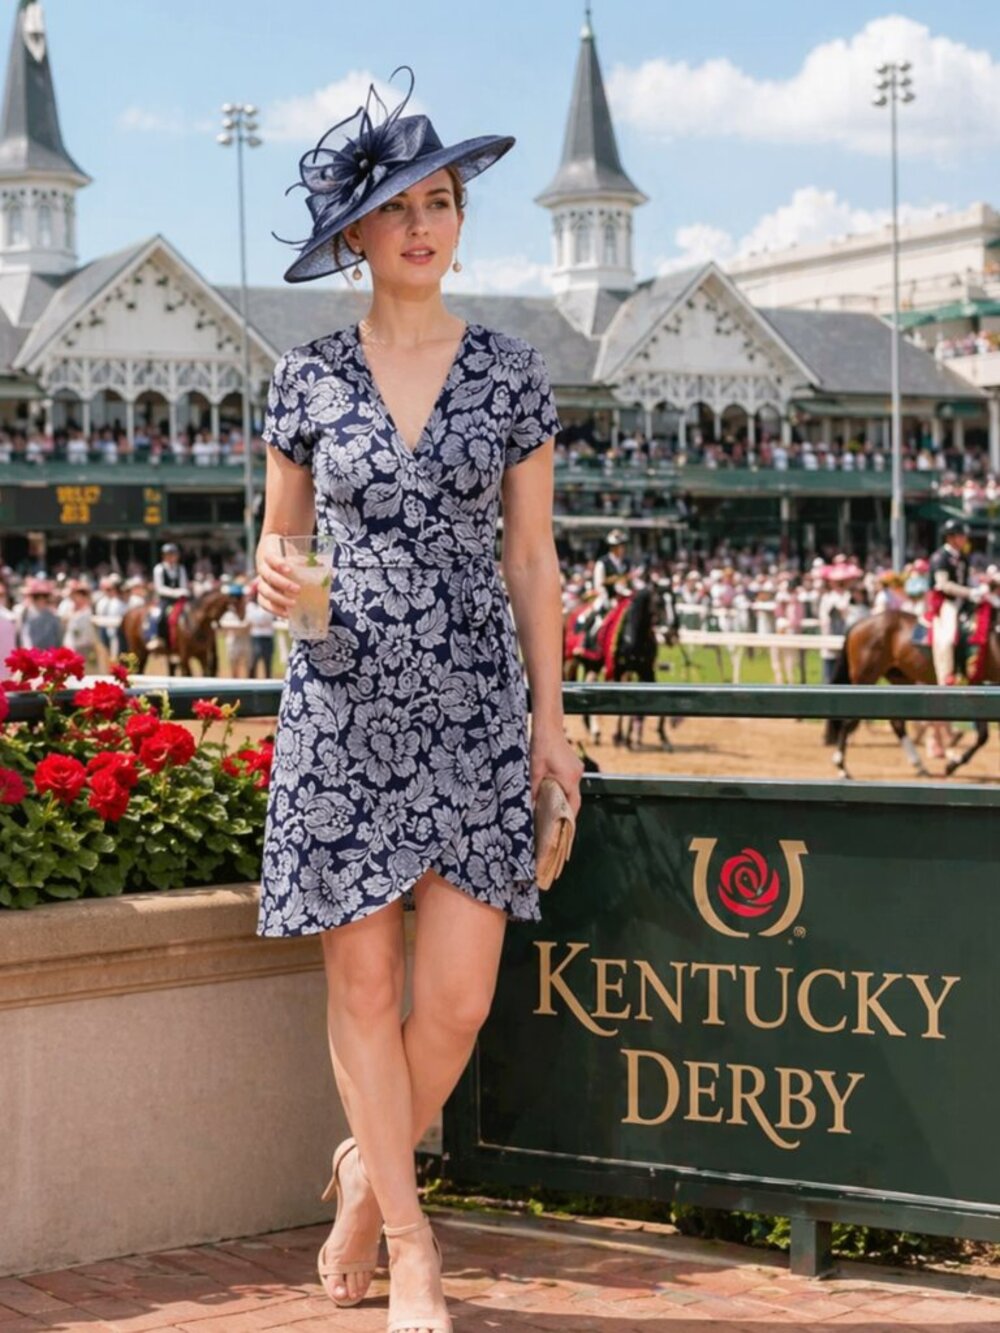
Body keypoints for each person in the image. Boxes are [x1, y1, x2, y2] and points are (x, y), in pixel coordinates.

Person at [255, 66, 583, 1333]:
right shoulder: (305, 382)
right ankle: (409, 1243)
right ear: (357, 237)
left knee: (454, 999)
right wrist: (275, 573)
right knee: (362, 991)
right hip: (341, 709)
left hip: (473, 708)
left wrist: (550, 722)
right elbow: (280, 561)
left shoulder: (512, 375)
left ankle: (358, 1172)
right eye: (398, 208)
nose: (423, 224)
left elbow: (533, 562)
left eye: (440, 201)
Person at [927, 519, 981, 685]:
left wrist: (981, 587)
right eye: (961, 535)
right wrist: (969, 592)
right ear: (950, 538)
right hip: (946, 602)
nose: (965, 539)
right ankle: (945, 676)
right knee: (947, 638)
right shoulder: (940, 557)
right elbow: (943, 585)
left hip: (963, 602)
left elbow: (968, 579)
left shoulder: (963, 557)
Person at [150, 542, 190, 652]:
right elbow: (159, 588)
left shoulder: (181, 568)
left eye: (174, 554)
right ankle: (156, 637)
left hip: (180, 600)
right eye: (170, 554)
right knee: (159, 615)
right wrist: (175, 592)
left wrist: (183, 591)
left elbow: (183, 584)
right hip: (164, 599)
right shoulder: (159, 569)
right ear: (164, 556)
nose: (173, 557)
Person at [245, 582, 276, 678]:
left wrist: (261, 619)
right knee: (253, 664)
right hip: (256, 637)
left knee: (268, 665)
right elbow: (255, 619)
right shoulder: (250, 605)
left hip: (267, 638)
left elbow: (268, 617)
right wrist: (262, 618)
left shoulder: (270, 603)